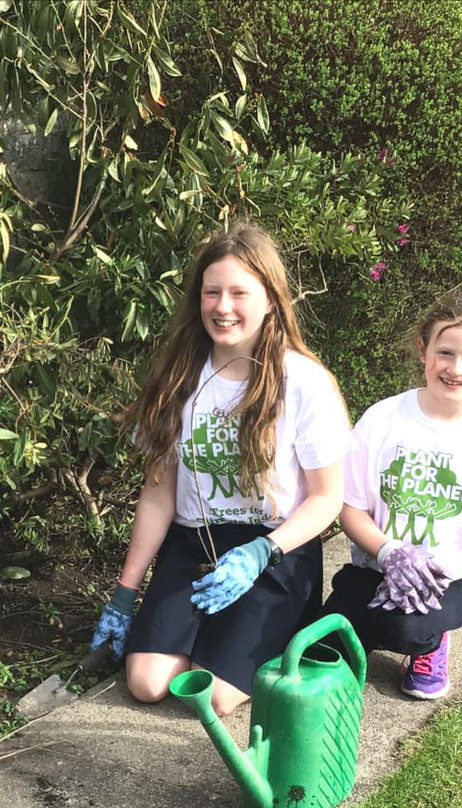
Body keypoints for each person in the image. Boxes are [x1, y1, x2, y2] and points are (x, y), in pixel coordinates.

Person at [90, 224, 351, 717]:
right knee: (147, 682)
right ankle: (209, 635)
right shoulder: (178, 377)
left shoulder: (306, 383)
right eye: (212, 292)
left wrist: (261, 552)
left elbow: (326, 499)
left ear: (271, 300)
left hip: (274, 551)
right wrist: (125, 593)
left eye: (239, 293)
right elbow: (157, 493)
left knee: (211, 696)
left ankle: (277, 623)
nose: (223, 307)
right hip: (196, 545)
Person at [320, 285, 462, 700]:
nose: (456, 368)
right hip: (377, 568)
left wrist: (449, 566)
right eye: (446, 352)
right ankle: (372, 624)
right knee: (321, 649)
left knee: (407, 626)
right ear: (424, 351)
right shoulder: (383, 419)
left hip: (452, 578)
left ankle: (432, 643)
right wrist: (389, 553)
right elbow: (350, 509)